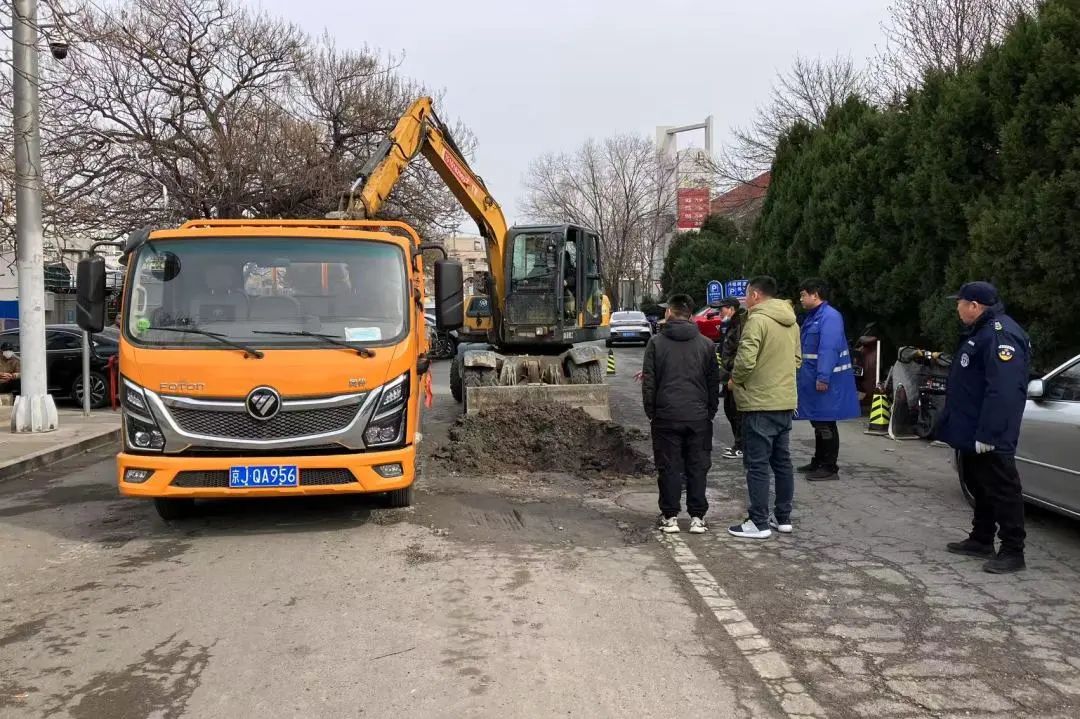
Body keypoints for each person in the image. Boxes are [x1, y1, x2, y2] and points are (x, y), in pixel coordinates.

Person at [934, 281, 1030, 574]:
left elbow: (1003, 390)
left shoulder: (1000, 335)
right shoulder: (982, 331)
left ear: (974, 306)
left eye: (959, 303)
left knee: (1003, 488)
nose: (957, 308)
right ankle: (981, 538)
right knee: (980, 485)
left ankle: (1013, 550)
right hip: (973, 429)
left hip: (990, 432)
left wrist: (990, 432)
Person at [727, 276, 801, 539]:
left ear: (756, 295)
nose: (745, 300)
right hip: (785, 401)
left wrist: (736, 381)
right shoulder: (791, 321)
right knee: (782, 462)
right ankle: (783, 517)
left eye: (747, 294)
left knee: (757, 464)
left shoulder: (756, 320)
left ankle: (758, 522)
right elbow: (797, 359)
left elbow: (746, 360)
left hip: (759, 402)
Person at [641, 294, 720, 535]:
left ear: (669, 313)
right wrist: (709, 411)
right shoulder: (706, 344)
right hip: (698, 416)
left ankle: (670, 517)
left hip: (666, 415)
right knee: (698, 466)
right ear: (690, 315)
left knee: (669, 467)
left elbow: (649, 382)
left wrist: (652, 412)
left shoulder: (656, 343)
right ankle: (697, 517)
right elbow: (712, 382)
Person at [795, 278, 861, 481]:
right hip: (813, 378)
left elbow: (828, 349)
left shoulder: (830, 317)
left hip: (825, 381)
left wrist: (823, 377)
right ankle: (819, 460)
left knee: (825, 422)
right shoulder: (814, 316)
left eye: (803, 295)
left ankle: (829, 467)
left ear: (815, 294)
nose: (801, 299)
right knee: (818, 420)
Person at [716, 297, 746, 460]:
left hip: (735, 377)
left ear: (732, 309)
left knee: (736, 412)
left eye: (722, 309)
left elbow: (742, 353)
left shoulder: (740, 325)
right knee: (730, 410)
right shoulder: (729, 325)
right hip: (727, 375)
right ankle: (738, 443)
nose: (719, 313)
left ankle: (741, 446)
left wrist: (733, 376)